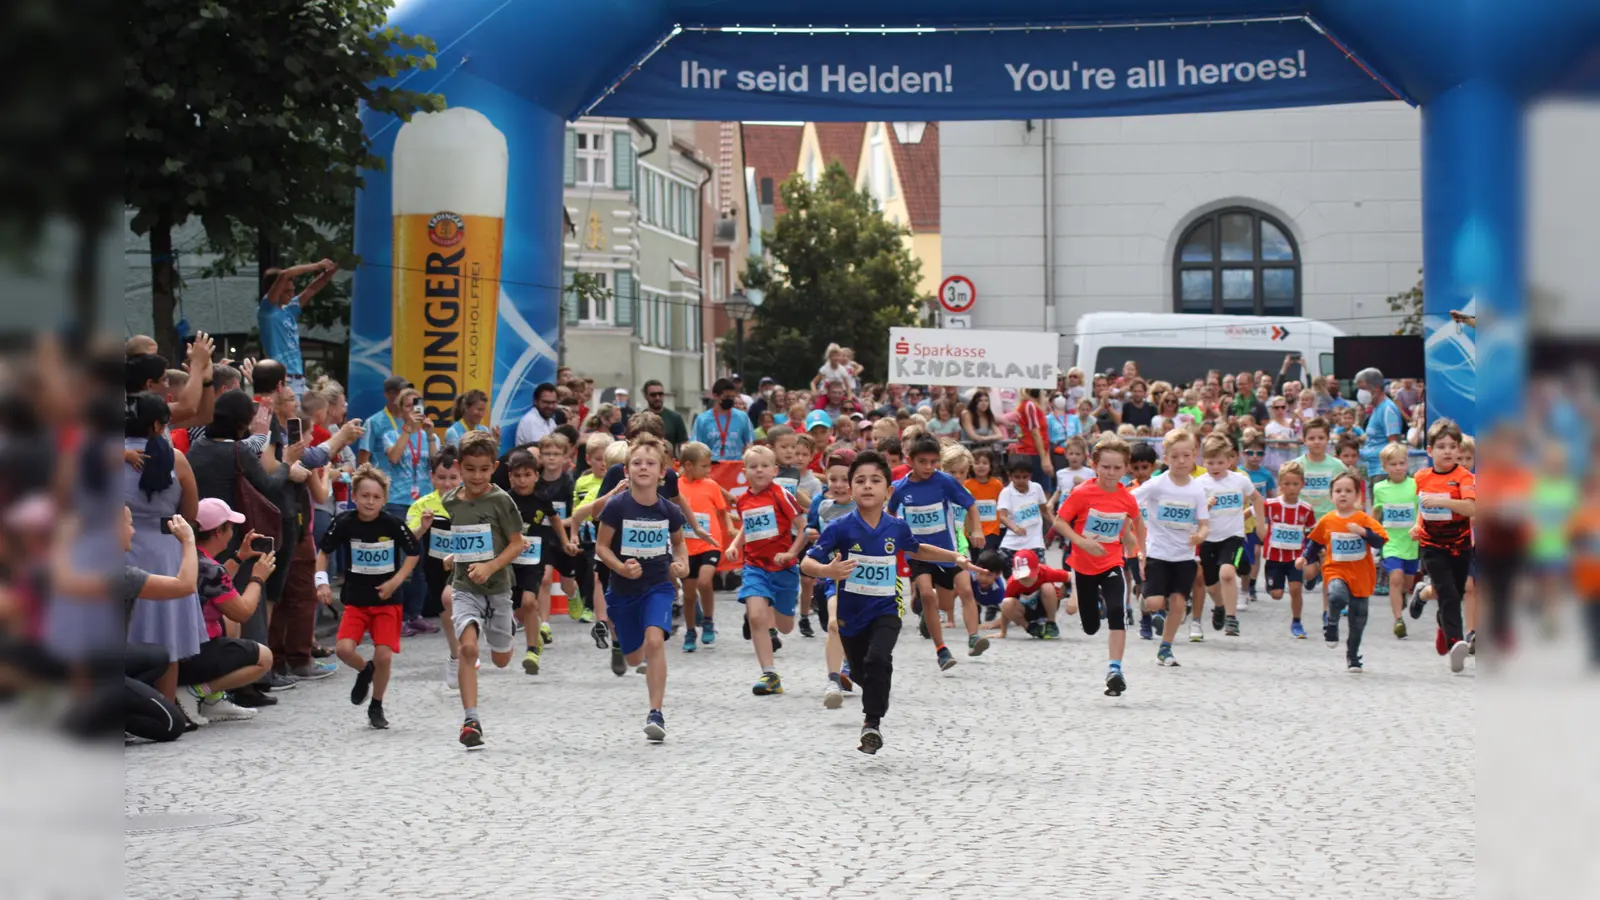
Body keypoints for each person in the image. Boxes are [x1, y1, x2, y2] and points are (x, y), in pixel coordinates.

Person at [802, 451, 980, 755]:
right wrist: (827, 571)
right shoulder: (840, 528)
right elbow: (807, 563)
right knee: (863, 673)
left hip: (886, 609)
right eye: (860, 481)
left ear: (888, 490)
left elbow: (917, 549)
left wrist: (955, 557)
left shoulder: (896, 527)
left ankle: (871, 724)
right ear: (851, 488)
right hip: (850, 615)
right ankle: (870, 690)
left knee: (878, 660)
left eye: (875, 480)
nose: (867, 486)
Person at [595, 435, 690, 742]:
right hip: (623, 591)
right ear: (627, 470)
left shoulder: (669, 510)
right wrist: (621, 567)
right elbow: (601, 547)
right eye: (637, 463)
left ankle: (656, 713)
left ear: (662, 472)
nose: (644, 467)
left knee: (655, 641)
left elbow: (679, 544)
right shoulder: (616, 506)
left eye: (651, 463)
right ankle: (620, 642)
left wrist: (682, 564)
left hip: (658, 587)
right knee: (635, 658)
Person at [313, 466, 420, 728]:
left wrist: (395, 581)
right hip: (356, 601)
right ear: (354, 496)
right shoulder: (344, 522)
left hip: (387, 601)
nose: (370, 502)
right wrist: (322, 583)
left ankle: (376, 705)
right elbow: (323, 552)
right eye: (364, 496)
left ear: (384, 499)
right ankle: (365, 670)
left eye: (376, 497)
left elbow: (413, 552)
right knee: (343, 650)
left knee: (384, 656)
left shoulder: (392, 523)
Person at [442, 432, 529, 749]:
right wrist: (455, 556)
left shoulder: (502, 501)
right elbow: (467, 536)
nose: (477, 476)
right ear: (458, 466)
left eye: (483, 469)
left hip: (497, 587)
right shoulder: (450, 500)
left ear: (494, 467)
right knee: (468, 649)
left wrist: (491, 566)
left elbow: (517, 543)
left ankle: (508, 628)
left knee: (502, 659)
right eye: (469, 469)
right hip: (464, 586)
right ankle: (471, 720)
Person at [123, 393, 202, 703]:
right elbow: (191, 511)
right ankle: (167, 707)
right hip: (166, 548)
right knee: (167, 634)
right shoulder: (175, 458)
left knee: (125, 630)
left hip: (121, 546)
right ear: (157, 425)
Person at [1053, 437, 1144, 695]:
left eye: (1117, 468)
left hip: (1112, 562)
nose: (1111, 473)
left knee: (1117, 610)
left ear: (1126, 468)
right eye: (1105, 467)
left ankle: (1115, 669)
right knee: (1091, 626)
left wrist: (1139, 551)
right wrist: (1082, 541)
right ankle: (1093, 605)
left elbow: (1135, 522)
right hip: (1084, 566)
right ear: (1094, 465)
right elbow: (1060, 522)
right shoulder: (1082, 493)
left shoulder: (1127, 497)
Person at [175, 498, 277, 724]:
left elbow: (214, 585)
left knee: (230, 624)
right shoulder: (211, 568)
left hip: (179, 649)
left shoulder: (189, 556)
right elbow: (242, 611)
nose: (233, 533)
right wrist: (258, 578)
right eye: (230, 527)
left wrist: (239, 557)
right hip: (194, 653)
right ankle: (197, 692)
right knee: (264, 658)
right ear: (219, 531)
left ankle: (214, 700)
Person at [892, 436, 987, 668]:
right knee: (927, 593)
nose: (928, 467)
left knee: (947, 602)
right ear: (910, 460)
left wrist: (976, 529)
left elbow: (971, 505)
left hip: (946, 551)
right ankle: (942, 650)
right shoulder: (900, 488)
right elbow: (890, 513)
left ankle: (934, 617)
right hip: (918, 552)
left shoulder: (945, 482)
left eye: (933, 462)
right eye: (922, 462)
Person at [726, 445, 807, 695]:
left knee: (785, 627)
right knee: (756, 617)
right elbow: (747, 527)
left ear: (774, 470)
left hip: (783, 568)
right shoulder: (743, 500)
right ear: (745, 472)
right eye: (753, 467)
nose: (759, 470)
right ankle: (769, 674)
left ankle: (781, 611)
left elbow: (803, 527)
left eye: (764, 466)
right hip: (754, 566)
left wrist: (791, 553)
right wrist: (735, 544)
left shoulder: (781, 494)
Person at [1133, 429, 1211, 667]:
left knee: (1178, 603)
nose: (1181, 461)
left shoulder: (1197, 489)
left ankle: (1165, 648)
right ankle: (1146, 601)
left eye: (1186, 456)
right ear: (1166, 458)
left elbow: (1204, 523)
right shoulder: (1157, 484)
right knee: (1155, 603)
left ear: (1194, 456)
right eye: (1175, 456)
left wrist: (1200, 536)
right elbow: (1130, 500)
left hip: (1184, 556)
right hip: (1158, 552)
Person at [1296, 472, 1388, 672]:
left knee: (1358, 619)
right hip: (1335, 569)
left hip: (1361, 575)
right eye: (1338, 491)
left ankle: (1353, 655)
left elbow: (1380, 541)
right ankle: (1331, 622)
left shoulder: (1363, 519)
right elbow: (1315, 542)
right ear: (1331, 496)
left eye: (1348, 491)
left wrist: (1363, 532)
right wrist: (1305, 558)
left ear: (1357, 496)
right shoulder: (1328, 520)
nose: (1343, 494)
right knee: (1336, 596)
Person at [1412, 419, 1476, 673]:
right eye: (1441, 447)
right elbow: (1422, 506)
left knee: (1454, 594)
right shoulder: (1421, 477)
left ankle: (1426, 601)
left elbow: (1471, 508)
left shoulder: (1464, 477)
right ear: (1430, 451)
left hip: (1460, 545)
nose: (1447, 451)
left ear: (1459, 450)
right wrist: (1417, 525)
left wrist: (1443, 501)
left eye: (1452, 446)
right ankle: (1456, 643)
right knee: (1448, 593)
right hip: (1432, 545)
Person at [377, 386, 441, 637]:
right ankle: (398, 616)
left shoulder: (427, 436)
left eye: (417, 405)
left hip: (423, 503)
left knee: (420, 560)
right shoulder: (391, 434)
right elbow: (394, 457)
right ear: (401, 410)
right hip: (398, 502)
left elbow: (436, 465)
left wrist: (432, 436)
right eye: (408, 406)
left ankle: (415, 614)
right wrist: (407, 430)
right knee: (401, 559)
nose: (414, 410)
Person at [1194, 434, 1267, 640]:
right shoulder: (1199, 484)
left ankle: (1232, 617)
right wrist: (1205, 507)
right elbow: (1192, 512)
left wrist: (1261, 525)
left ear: (1229, 460)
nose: (1215, 467)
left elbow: (1257, 499)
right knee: (1211, 585)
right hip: (1208, 538)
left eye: (1220, 462)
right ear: (1203, 461)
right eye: (1210, 463)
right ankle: (1219, 606)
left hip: (1233, 536)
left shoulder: (1239, 480)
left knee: (1227, 573)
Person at [406, 449, 466, 689]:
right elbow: (410, 538)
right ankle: (456, 655)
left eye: (453, 477)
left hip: (465, 564)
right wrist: (423, 527)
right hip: (435, 566)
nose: (447, 483)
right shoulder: (422, 505)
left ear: (461, 476)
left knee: (456, 601)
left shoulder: (472, 501)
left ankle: (468, 649)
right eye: (441, 477)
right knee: (446, 612)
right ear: (431, 476)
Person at [806, 448, 858, 707]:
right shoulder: (822, 506)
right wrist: (811, 533)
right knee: (834, 625)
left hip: (862, 581)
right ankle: (835, 679)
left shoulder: (864, 506)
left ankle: (847, 666)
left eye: (844, 479)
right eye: (833, 479)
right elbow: (811, 527)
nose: (838, 485)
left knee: (851, 629)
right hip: (832, 577)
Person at [677, 442, 732, 652]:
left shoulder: (711, 486)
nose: (709, 470)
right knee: (689, 594)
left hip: (710, 543)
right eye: (704, 466)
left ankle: (708, 620)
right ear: (688, 465)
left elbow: (723, 511)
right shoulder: (676, 486)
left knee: (704, 581)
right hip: (686, 546)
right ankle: (690, 631)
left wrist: (729, 527)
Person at [259, 260, 337, 397]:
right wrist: (317, 266)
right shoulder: (267, 312)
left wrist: (336, 266)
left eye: (292, 290)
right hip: (283, 381)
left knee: (331, 404)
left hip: (299, 381)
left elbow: (312, 289)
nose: (291, 295)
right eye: (287, 291)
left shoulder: (289, 310)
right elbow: (284, 274)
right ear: (275, 290)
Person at [996, 454, 1054, 621]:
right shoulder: (1007, 492)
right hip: (1012, 545)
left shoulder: (1036, 488)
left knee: (1040, 579)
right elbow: (1002, 516)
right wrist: (1014, 527)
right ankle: (1013, 610)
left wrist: (1056, 524)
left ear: (1030, 475)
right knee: (1014, 580)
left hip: (1034, 543)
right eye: (1017, 477)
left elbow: (1044, 510)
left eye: (1024, 476)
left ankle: (1041, 612)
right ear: (1010, 476)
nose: (1021, 480)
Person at [1263, 461, 1317, 639]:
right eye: (1287, 484)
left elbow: (1312, 531)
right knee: (1277, 595)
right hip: (1274, 557)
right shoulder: (1271, 504)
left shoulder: (1306, 509)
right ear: (1280, 484)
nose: (1291, 488)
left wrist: (1317, 550)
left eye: (1295, 484)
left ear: (1302, 484)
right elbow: (1254, 511)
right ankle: (1271, 584)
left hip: (1295, 557)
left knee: (1295, 590)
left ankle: (1297, 621)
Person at [1372, 442, 1420, 639]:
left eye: (1402, 463)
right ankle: (1398, 620)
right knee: (1395, 577)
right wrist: (1372, 534)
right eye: (1393, 464)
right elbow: (1376, 513)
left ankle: (1404, 596)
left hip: (1411, 542)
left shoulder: (1416, 485)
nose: (1398, 467)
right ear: (1385, 467)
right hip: (1391, 543)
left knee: (1407, 583)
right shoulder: (1379, 488)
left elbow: (1422, 510)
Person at [1355, 367, 1405, 486]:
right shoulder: (1377, 409)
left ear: (1376, 388)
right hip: (1374, 471)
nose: (1360, 393)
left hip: (1383, 473)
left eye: (1363, 388)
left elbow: (1394, 444)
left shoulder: (1388, 410)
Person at [693, 377, 756, 463]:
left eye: (732, 397)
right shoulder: (702, 419)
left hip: (735, 466)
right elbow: (696, 447)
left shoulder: (742, 417)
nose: (730, 400)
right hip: (712, 466)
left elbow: (749, 443)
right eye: (726, 397)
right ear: (716, 396)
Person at [358, 375, 411, 467]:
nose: (403, 396)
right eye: (398, 392)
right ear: (386, 394)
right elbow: (363, 461)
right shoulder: (373, 422)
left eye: (406, 392)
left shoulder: (411, 421)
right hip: (383, 475)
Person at [1011, 388, 1054, 493]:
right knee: (1042, 491)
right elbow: (1035, 433)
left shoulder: (1026, 405)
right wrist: (1044, 459)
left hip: (1033, 452)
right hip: (1032, 453)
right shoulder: (1029, 405)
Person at [965, 447, 1005, 556]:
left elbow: (1002, 505)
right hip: (972, 531)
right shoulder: (966, 485)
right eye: (977, 463)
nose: (981, 466)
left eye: (985, 463)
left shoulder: (997, 485)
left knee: (987, 557)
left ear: (991, 465)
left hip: (991, 530)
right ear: (971, 466)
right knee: (975, 559)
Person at [642, 379, 689, 450]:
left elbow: (684, 446)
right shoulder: (640, 420)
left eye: (660, 394)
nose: (657, 397)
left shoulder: (675, 418)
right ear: (646, 396)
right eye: (653, 395)